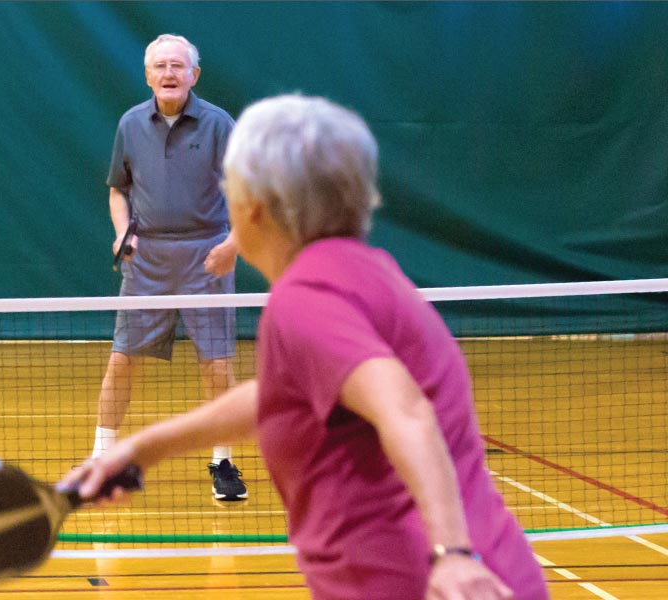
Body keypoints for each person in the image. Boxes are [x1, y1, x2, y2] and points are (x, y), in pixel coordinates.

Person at [65, 95, 548, 599]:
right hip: (479, 572)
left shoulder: (308, 298)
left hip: (430, 583)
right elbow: (280, 395)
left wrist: (453, 556)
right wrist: (143, 450)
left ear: (253, 207)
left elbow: (405, 409)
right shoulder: (365, 271)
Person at [92, 33, 246, 501]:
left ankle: (223, 461)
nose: (169, 73)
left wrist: (233, 244)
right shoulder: (130, 124)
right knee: (122, 359)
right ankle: (101, 459)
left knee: (217, 364)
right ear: (147, 76)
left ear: (193, 75)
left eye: (178, 66)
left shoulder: (219, 124)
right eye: (160, 66)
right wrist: (123, 232)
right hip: (148, 261)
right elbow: (118, 190)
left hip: (208, 257)